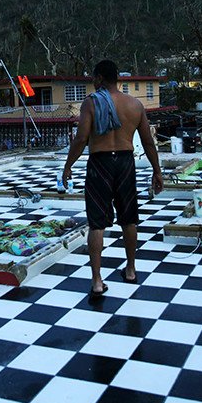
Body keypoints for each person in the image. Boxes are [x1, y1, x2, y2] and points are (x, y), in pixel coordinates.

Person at [62, 60, 163, 298]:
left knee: (97, 223)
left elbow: (81, 139)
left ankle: (97, 281)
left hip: (100, 163)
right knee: (129, 219)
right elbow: (148, 142)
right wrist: (157, 171)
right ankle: (130, 270)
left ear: (98, 78)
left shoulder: (91, 103)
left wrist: (67, 167)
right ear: (118, 78)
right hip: (126, 162)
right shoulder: (135, 104)